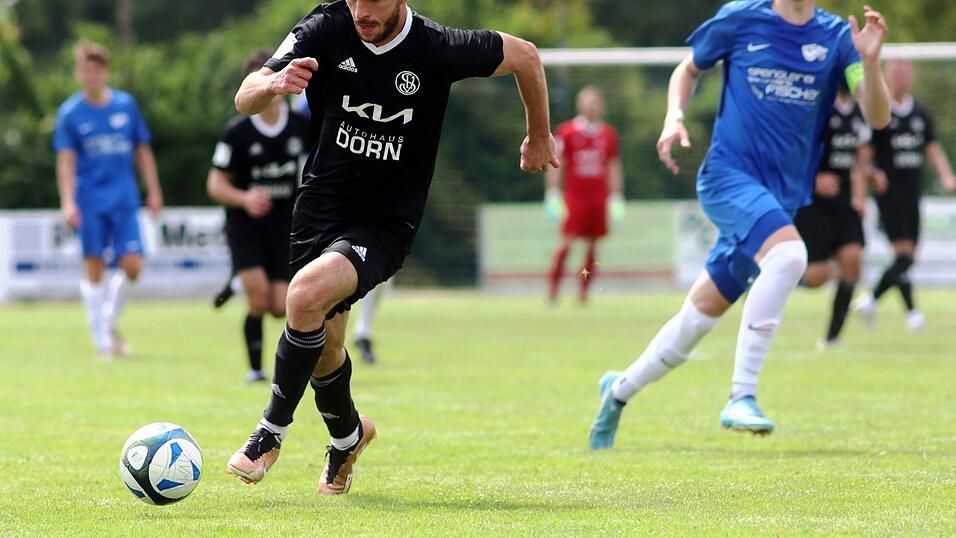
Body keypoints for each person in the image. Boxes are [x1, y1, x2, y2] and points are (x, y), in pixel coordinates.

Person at [226, 0, 556, 494]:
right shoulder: (324, 27)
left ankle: (268, 435)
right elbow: (245, 97)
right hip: (316, 214)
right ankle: (349, 438)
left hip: (384, 224)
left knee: (301, 297)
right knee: (324, 348)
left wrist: (538, 134)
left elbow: (527, 55)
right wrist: (271, 84)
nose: (361, 9)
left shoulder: (437, 47)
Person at [588, 0, 890, 449]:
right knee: (790, 255)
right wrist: (674, 116)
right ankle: (741, 396)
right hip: (728, 178)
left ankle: (618, 391)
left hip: (780, 199)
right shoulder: (741, 18)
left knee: (696, 321)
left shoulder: (837, 37)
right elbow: (688, 70)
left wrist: (869, 60)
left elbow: (878, 116)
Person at [53, 40, 164, 360]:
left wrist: (153, 190)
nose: (89, 76)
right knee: (94, 266)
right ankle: (103, 341)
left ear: (105, 72)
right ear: (77, 73)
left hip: (124, 198)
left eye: (94, 69)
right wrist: (68, 201)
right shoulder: (70, 113)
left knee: (133, 265)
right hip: (88, 200)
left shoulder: (125, 106)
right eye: (83, 70)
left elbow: (142, 151)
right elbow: (66, 161)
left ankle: (107, 322)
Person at [207, 50, 313, 383]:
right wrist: (245, 198)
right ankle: (256, 370)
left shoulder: (302, 126)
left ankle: (236, 279)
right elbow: (215, 184)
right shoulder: (236, 132)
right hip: (245, 226)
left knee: (281, 306)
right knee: (259, 298)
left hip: (285, 225)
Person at [854, 59, 956, 331]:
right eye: (896, 71)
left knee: (906, 257)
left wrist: (946, 175)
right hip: (889, 196)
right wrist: (871, 176)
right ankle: (896, 309)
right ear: (886, 74)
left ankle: (882, 304)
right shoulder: (879, 113)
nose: (901, 76)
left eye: (906, 71)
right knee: (905, 255)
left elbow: (932, 148)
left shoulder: (920, 113)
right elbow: (863, 157)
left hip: (913, 195)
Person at [794, 88, 871, 349]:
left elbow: (860, 160)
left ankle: (832, 338)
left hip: (844, 203)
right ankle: (768, 278)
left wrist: (861, 197)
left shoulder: (859, 111)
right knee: (818, 276)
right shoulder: (816, 106)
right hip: (813, 204)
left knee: (852, 261)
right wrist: (814, 180)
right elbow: (792, 150)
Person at [545, 86, 624, 304]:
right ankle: (553, 289)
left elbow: (613, 166)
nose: (591, 106)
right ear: (580, 104)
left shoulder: (608, 134)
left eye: (595, 102)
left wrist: (616, 196)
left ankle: (583, 291)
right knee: (567, 243)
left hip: (598, 198)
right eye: (587, 102)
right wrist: (552, 192)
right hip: (575, 197)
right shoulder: (567, 132)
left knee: (592, 245)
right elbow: (557, 163)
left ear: (601, 106)